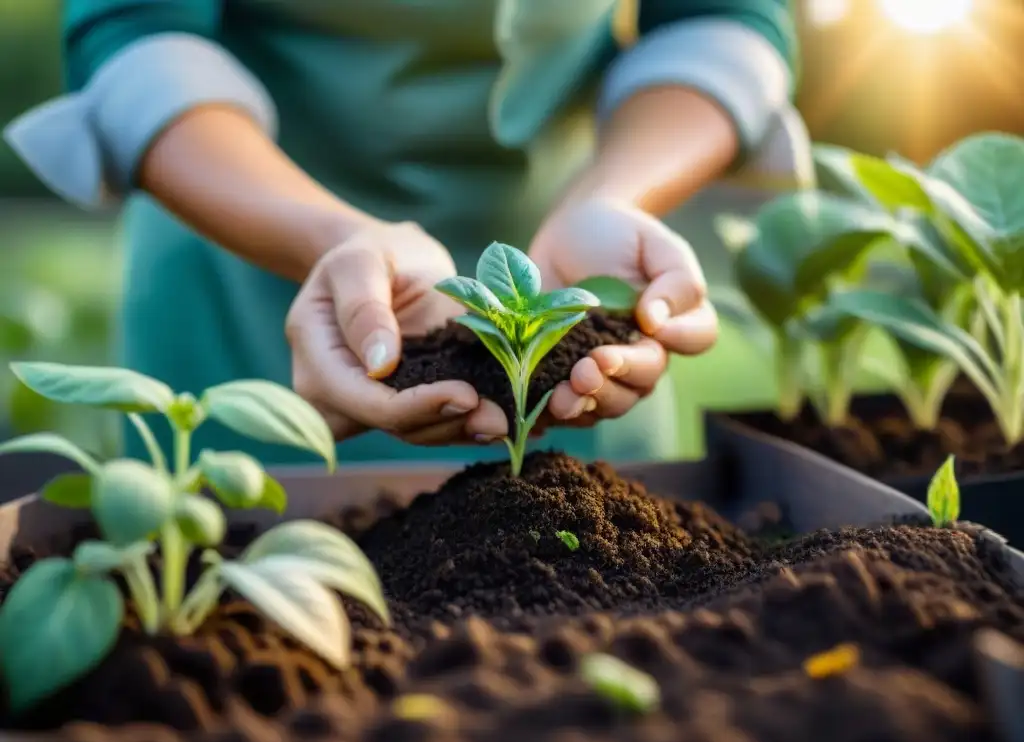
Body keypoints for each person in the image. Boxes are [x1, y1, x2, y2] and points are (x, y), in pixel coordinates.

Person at [5, 0, 805, 467]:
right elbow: (133, 31)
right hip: (246, 245)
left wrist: (614, 194)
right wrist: (329, 237)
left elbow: (723, 17)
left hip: (570, 254)